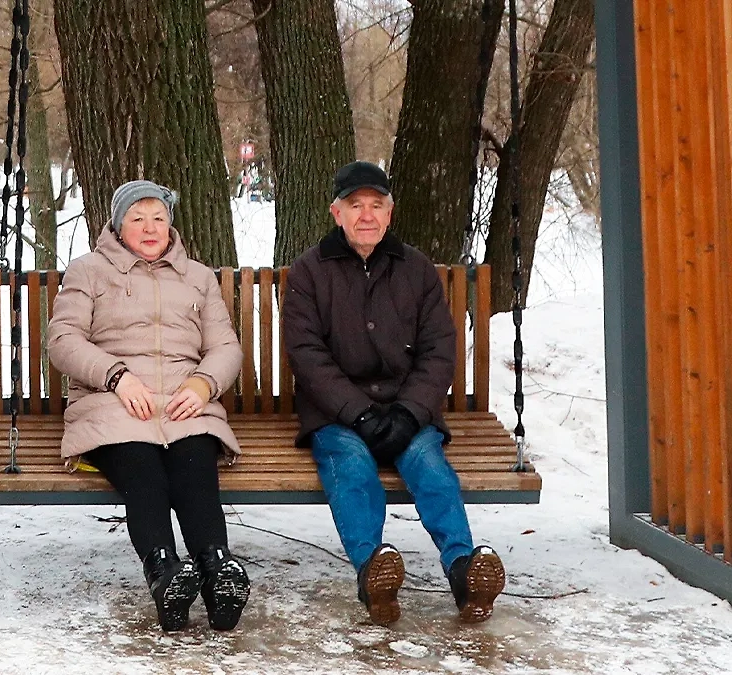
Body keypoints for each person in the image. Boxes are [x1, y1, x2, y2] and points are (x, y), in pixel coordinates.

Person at [282, 161, 506, 626]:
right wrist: (359, 414)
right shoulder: (309, 272)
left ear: (390, 213)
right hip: (337, 414)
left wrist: (410, 412)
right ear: (336, 213)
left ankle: (464, 571)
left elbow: (439, 349)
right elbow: (307, 356)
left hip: (407, 407)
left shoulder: (415, 269)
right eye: (356, 206)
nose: (367, 216)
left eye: (377, 206)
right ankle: (373, 574)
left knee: (431, 468)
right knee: (352, 468)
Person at [48, 179, 250, 633]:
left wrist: (203, 384)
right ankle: (165, 574)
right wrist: (115, 376)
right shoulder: (89, 272)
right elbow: (62, 340)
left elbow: (225, 346)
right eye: (137, 218)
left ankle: (219, 572)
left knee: (195, 464)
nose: (149, 227)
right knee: (142, 469)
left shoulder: (197, 277)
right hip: (112, 402)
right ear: (118, 227)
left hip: (184, 399)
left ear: (171, 224)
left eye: (158, 217)